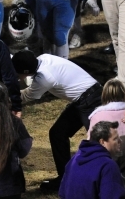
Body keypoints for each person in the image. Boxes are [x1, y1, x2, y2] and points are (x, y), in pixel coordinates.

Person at [11, 49, 102, 193]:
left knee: (99, 143)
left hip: (91, 101)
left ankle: (108, 179)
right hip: (85, 98)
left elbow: (26, 97)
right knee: (57, 133)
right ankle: (65, 178)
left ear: (25, 71)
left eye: (18, 73)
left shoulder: (44, 78)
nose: (17, 76)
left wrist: (6, 95)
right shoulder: (44, 58)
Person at [59, 121, 125, 199]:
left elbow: (62, 192)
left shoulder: (75, 158)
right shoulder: (108, 166)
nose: (120, 141)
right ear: (102, 142)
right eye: (115, 139)